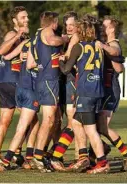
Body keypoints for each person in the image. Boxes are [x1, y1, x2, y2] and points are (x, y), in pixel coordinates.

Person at [59, 18, 110, 174]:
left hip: (85, 92)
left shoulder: (78, 47)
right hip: (97, 91)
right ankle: (83, 157)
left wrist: (61, 61)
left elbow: (66, 70)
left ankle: (102, 162)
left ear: (80, 32)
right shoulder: (99, 47)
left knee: (90, 130)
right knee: (75, 122)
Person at [0, 6, 29, 169]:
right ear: (15, 20)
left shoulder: (24, 36)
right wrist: (18, 36)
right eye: (22, 17)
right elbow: (1, 50)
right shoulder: (13, 34)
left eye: (27, 17)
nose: (26, 20)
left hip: (5, 80)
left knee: (5, 119)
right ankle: (26, 155)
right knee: (30, 118)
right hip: (12, 81)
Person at [27, 11, 68, 172]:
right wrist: (64, 39)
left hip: (44, 80)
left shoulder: (36, 35)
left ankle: (47, 154)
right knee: (49, 119)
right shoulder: (47, 32)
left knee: (56, 120)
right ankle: (38, 156)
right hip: (49, 81)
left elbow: (30, 63)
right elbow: (53, 40)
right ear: (54, 22)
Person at [96, 16, 127, 172]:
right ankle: (100, 151)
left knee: (103, 127)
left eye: (104, 26)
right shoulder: (106, 43)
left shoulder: (113, 44)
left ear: (111, 29)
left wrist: (103, 47)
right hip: (102, 89)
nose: (101, 28)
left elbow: (118, 65)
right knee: (96, 126)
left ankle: (126, 153)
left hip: (110, 90)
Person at [0, 39, 41, 172]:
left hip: (20, 89)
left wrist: (22, 55)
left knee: (33, 122)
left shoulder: (26, 42)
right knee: (23, 127)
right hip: (30, 90)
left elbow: (7, 56)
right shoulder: (42, 45)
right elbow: (31, 65)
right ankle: (8, 160)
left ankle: (25, 156)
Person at [51, 11, 82, 171]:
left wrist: (62, 55)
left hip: (73, 83)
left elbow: (67, 58)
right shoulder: (65, 39)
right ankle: (58, 154)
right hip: (62, 83)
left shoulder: (76, 38)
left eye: (72, 25)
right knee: (58, 121)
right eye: (67, 25)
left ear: (78, 25)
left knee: (74, 121)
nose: (69, 28)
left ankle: (76, 157)